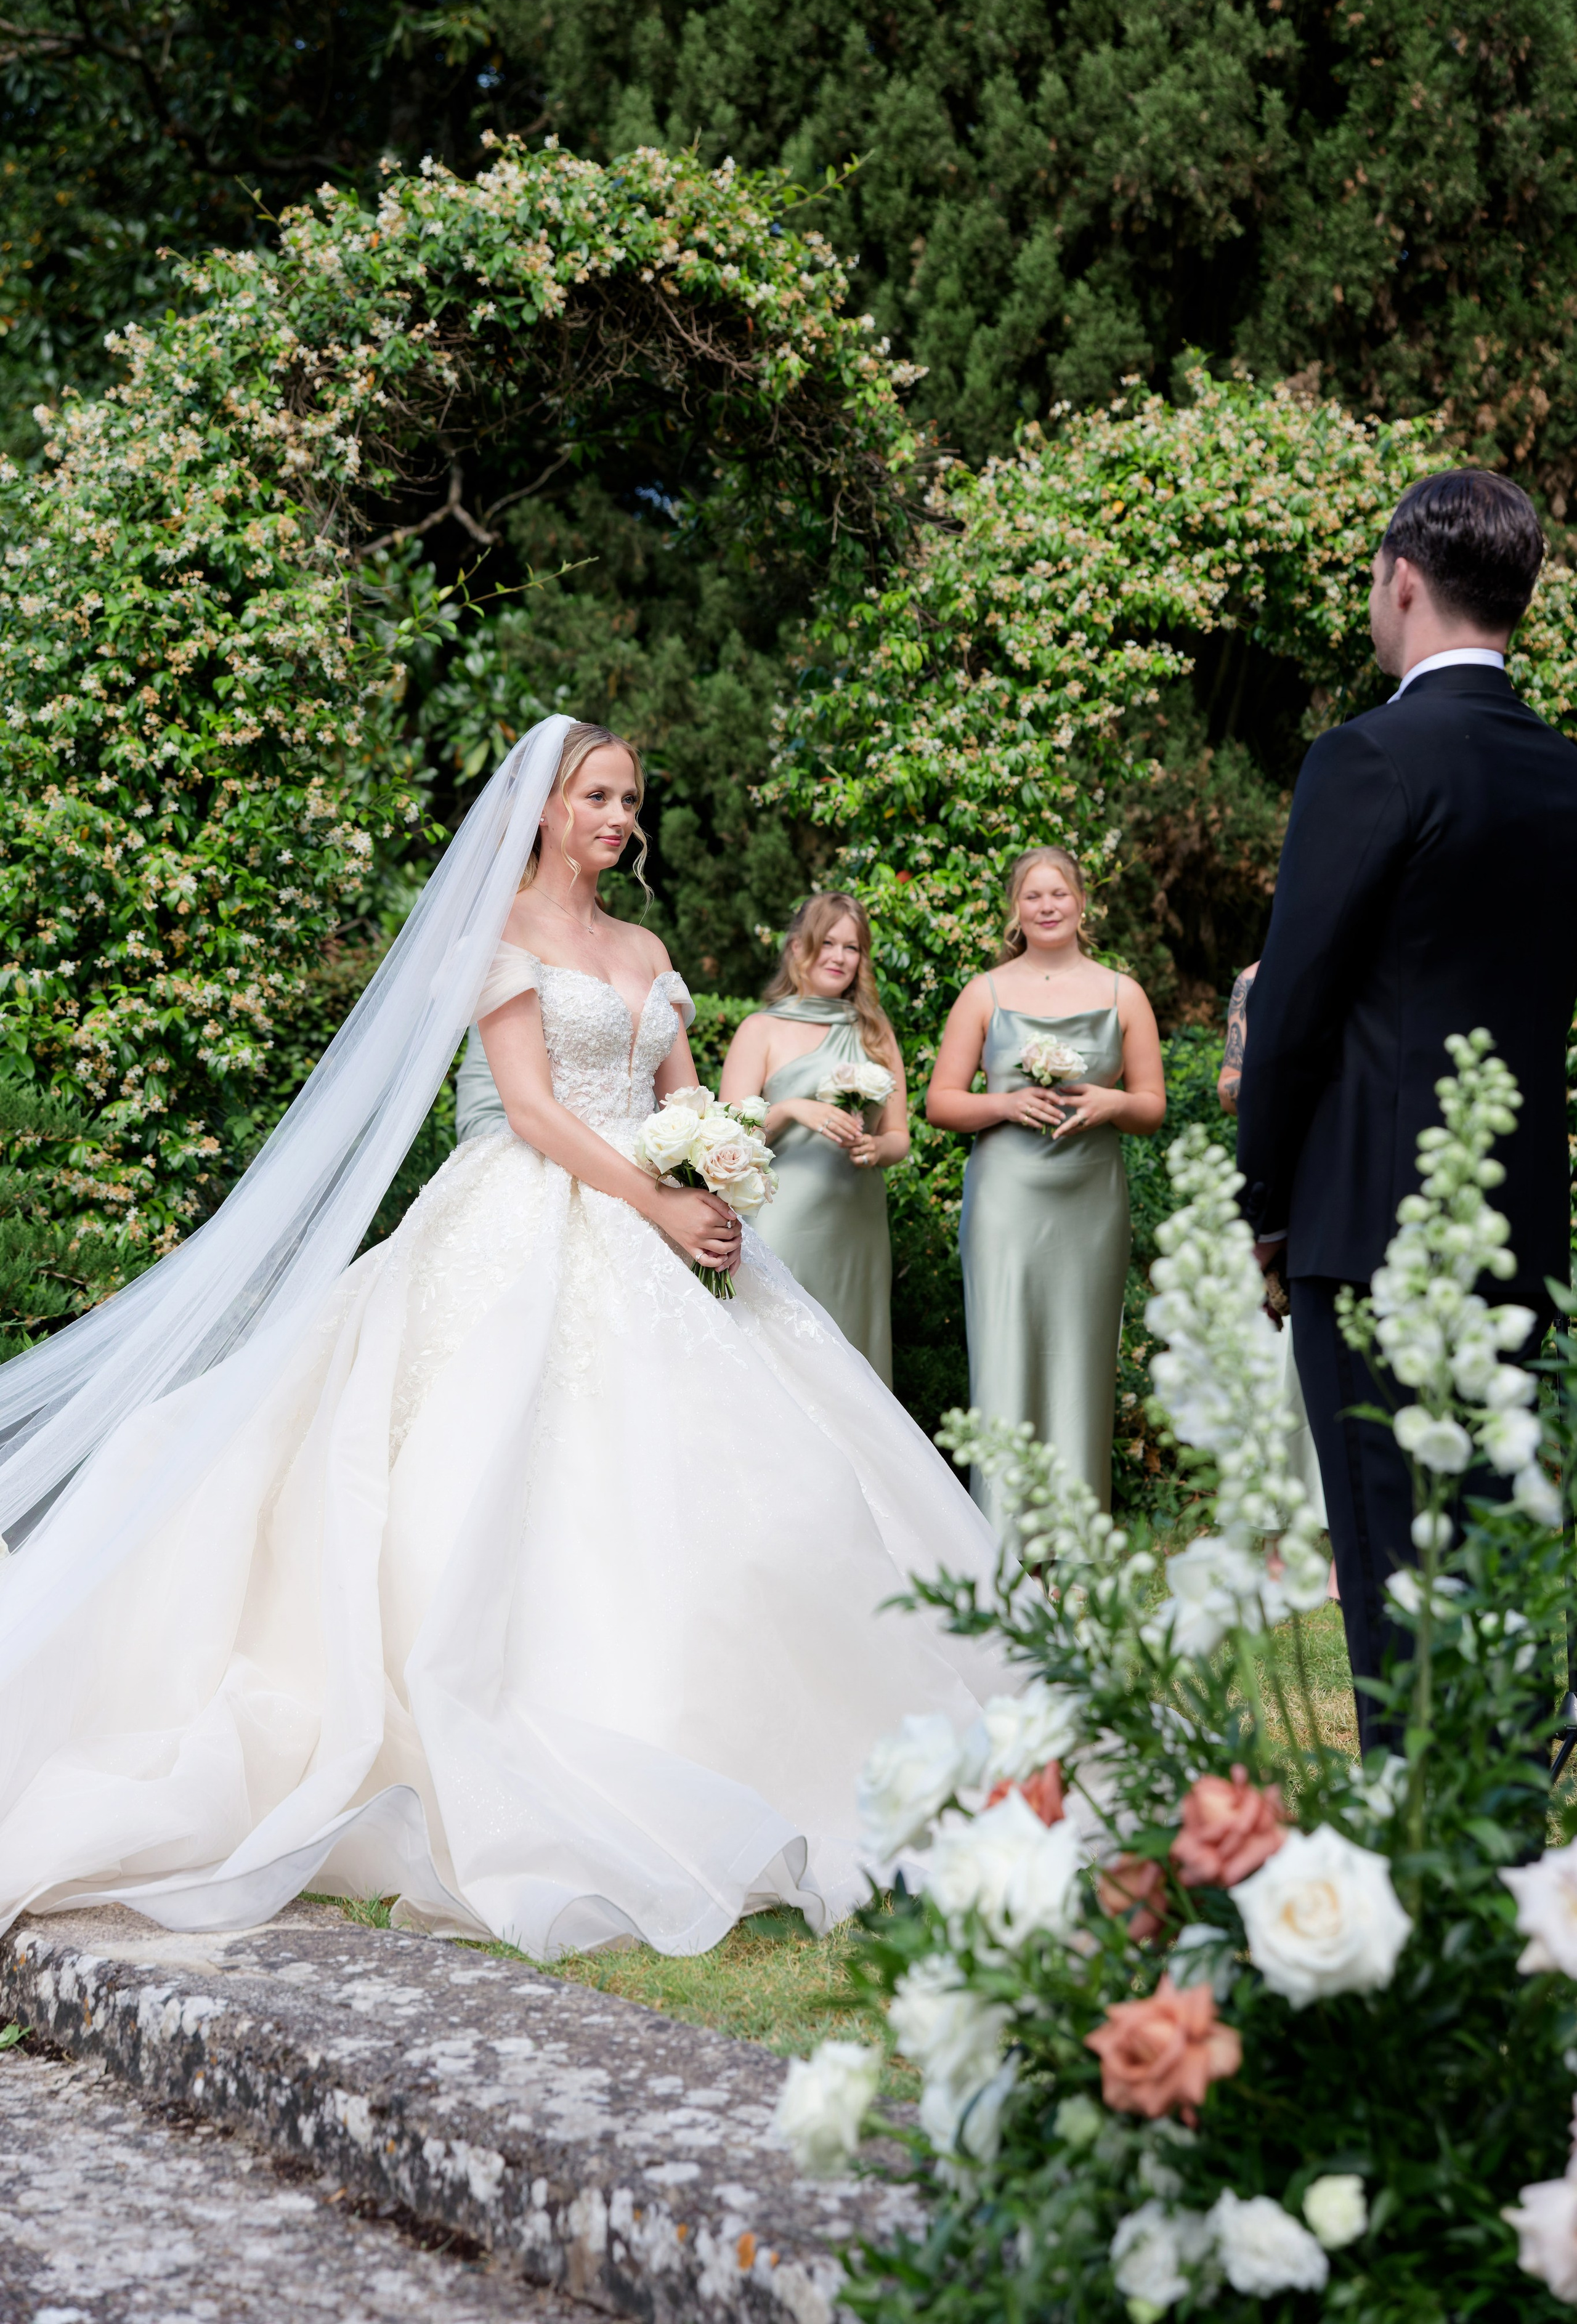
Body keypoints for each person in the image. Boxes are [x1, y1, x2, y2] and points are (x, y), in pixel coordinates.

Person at [0, 715, 1006, 1954]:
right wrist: (650, 1195)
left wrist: (721, 1164)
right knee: (482, 1455)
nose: (614, 816)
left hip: (656, 1210)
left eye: (629, 798)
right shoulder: (499, 939)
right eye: (595, 794)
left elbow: (676, 1093)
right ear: (542, 807)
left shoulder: (643, 946)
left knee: (768, 1472)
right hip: (523, 1215)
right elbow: (530, 1108)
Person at [1236, 469, 1577, 1749]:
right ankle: (1501, 1862)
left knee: (1386, 1572)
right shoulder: (1562, 777)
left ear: (1400, 581)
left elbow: (1292, 1012)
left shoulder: (1363, 756)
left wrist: (1263, 1202)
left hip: (1363, 1224)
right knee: (1491, 1554)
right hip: (1516, 1233)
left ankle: (1411, 1883)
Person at [926, 848, 1166, 1529]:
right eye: (1033, 896)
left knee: (1081, 1360)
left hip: (1089, 1198)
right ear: (1017, 910)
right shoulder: (986, 993)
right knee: (1004, 1353)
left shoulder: (1123, 994)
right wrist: (1004, 1105)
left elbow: (1151, 1106)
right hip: (1006, 1197)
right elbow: (941, 1103)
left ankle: (1074, 1542)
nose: (1048, 906)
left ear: (1082, 902)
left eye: (1059, 893)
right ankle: (1001, 1539)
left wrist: (1111, 1104)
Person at [720, 894, 907, 1384]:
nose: (840, 957)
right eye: (828, 943)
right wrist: (790, 1109)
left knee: (851, 1362)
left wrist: (876, 1149)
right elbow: (727, 1145)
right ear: (798, 947)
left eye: (853, 947)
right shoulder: (760, 1030)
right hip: (784, 1219)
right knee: (783, 1357)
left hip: (857, 1223)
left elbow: (899, 1139)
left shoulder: (874, 1032)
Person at [1218, 963, 1334, 1589]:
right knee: (1274, 1369)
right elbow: (1228, 1087)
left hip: (1348, 1175)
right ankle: (1277, 1541)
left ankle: (1344, 1543)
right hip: (1275, 1178)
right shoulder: (1255, 981)